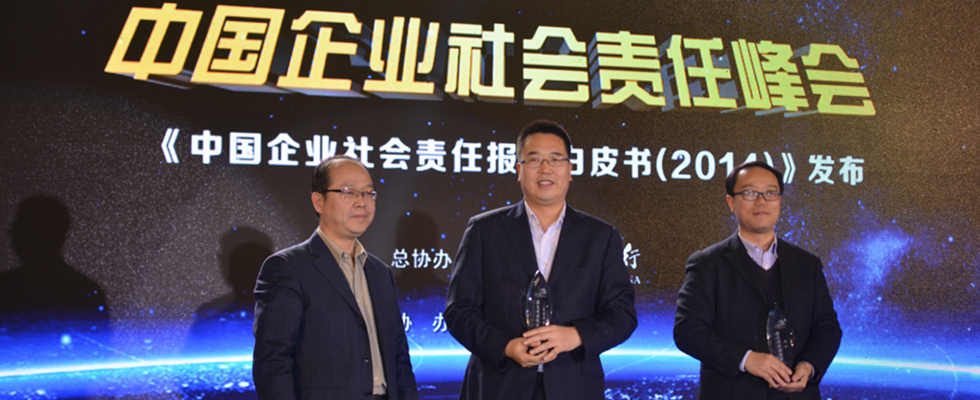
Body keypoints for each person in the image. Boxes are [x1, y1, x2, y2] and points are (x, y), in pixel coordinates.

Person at [445, 120, 637, 400]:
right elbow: (458, 310)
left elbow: (622, 314)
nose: (545, 168)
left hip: (573, 385)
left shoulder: (601, 236)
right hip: (498, 384)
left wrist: (575, 336)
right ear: (519, 170)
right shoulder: (484, 230)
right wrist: (506, 347)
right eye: (534, 159)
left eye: (556, 159)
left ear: (570, 170)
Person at [252, 155, 418, 400]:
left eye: (368, 193)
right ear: (318, 201)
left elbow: (399, 358)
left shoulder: (380, 273)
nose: (362, 202)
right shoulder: (288, 268)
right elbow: (272, 362)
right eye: (349, 192)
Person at [673, 161, 842, 399]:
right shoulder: (707, 263)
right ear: (731, 202)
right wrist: (746, 359)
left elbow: (827, 328)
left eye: (770, 193)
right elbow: (688, 330)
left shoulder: (807, 264)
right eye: (750, 193)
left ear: (780, 200)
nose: (761, 201)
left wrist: (809, 366)